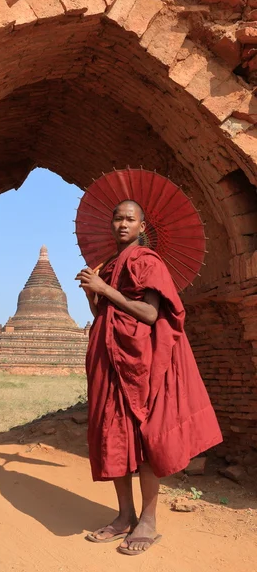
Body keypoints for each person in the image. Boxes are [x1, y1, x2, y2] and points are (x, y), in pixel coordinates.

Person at [75, 199, 222, 556]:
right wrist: (94, 294)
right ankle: (124, 516)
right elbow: (106, 314)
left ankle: (149, 521)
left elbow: (150, 313)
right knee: (114, 437)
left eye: (130, 219)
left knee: (143, 440)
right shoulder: (109, 266)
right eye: (117, 219)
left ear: (142, 227)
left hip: (140, 363)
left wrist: (105, 289)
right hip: (110, 360)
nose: (122, 224)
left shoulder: (147, 262)